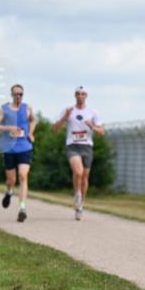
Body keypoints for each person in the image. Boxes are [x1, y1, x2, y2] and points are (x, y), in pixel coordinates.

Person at [52, 86, 104, 220]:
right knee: (78, 172)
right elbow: (55, 129)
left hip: (87, 147)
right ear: (75, 95)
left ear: (86, 96)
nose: (80, 96)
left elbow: (102, 132)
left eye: (83, 94)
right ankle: (77, 195)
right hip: (72, 146)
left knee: (85, 178)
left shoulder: (93, 112)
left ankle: (80, 205)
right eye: (78, 94)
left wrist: (92, 126)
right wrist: (65, 117)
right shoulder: (68, 110)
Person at [0, 84, 36, 222]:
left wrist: (30, 133)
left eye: (20, 94)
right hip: (9, 149)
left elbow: (33, 120)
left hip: (25, 148)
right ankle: (9, 191)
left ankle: (22, 208)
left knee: (23, 176)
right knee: (11, 180)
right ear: (12, 95)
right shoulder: (4, 109)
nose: (18, 96)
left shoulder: (27, 108)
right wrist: (8, 127)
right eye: (16, 94)